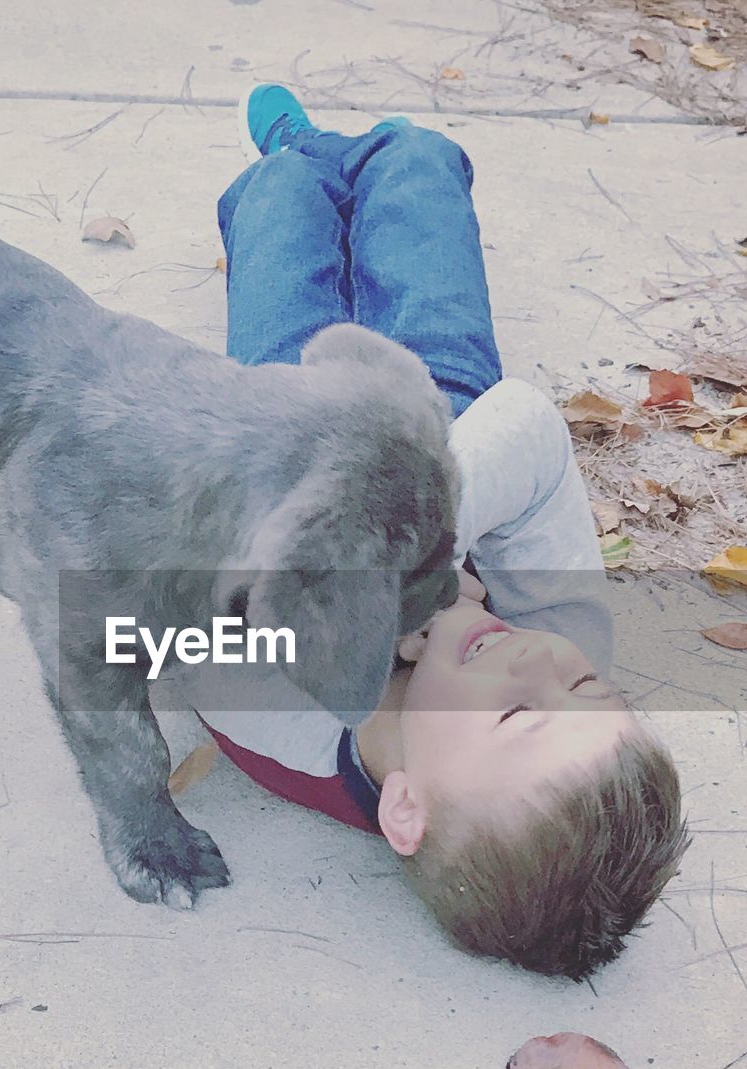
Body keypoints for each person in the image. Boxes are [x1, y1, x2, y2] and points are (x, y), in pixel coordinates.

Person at [176, 85, 690, 981]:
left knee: (283, 223)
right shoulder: (565, 639)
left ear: (405, 809)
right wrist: (429, 548)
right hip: (439, 389)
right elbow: (524, 424)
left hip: (285, 412)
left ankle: (292, 153)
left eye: (521, 710)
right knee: (420, 185)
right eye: (587, 686)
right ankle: (374, 146)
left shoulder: (285, 731)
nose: (541, 660)